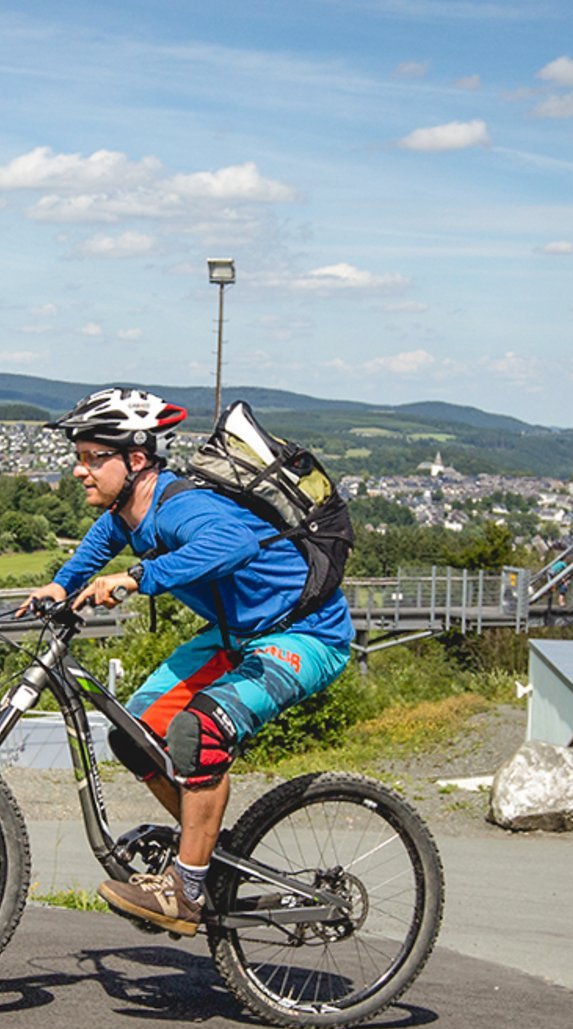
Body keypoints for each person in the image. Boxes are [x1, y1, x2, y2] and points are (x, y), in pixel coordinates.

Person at [24, 387, 355, 936]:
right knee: (135, 734)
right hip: (235, 636)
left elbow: (233, 545)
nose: (81, 471)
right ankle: (207, 855)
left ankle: (186, 888)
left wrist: (136, 578)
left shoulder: (181, 505)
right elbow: (99, 544)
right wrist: (60, 586)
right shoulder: (128, 511)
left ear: (135, 460)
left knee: (200, 732)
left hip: (305, 635)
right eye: (78, 458)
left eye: (93, 458)